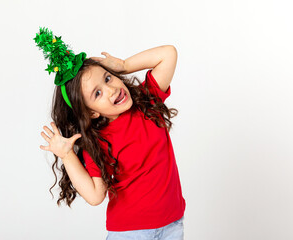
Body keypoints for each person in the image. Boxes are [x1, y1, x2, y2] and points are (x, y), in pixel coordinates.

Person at [35, 28, 186, 240]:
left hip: (172, 224)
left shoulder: (148, 101)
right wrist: (67, 156)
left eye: (107, 78)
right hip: (130, 232)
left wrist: (124, 65)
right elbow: (95, 195)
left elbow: (168, 54)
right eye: (97, 93)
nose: (111, 89)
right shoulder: (98, 141)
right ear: (92, 112)